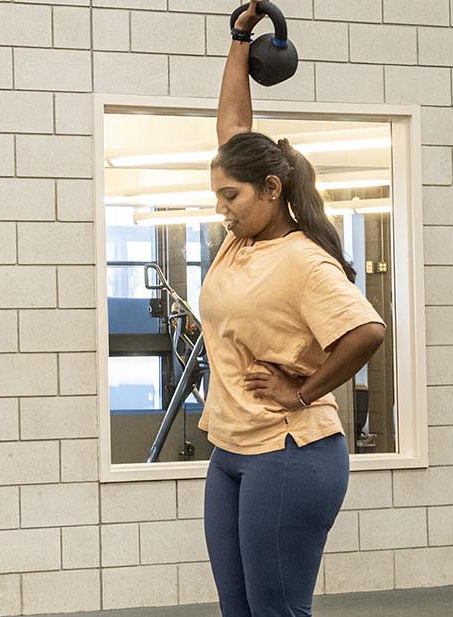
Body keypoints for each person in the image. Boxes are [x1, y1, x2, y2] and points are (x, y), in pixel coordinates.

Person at [202, 2, 387, 615]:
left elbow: (366, 332)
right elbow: (233, 128)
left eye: (231, 196)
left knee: (276, 612)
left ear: (272, 190)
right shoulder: (242, 238)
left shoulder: (305, 261)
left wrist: (303, 391)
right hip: (232, 451)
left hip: (291, 453)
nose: (221, 208)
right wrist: (238, 39)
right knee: (238, 609)